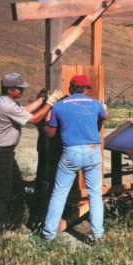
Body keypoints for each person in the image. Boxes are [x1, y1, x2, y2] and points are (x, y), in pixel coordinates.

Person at [42, 74, 109, 240]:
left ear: (71, 88)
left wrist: (46, 117)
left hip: (70, 151)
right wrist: (104, 107)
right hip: (93, 150)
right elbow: (105, 116)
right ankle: (98, 234)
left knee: (59, 193)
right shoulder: (95, 104)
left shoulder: (59, 106)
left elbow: (50, 133)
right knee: (95, 194)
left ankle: (48, 234)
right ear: (85, 89)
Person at [0, 72, 62, 233]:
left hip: (5, 152)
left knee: (16, 189)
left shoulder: (6, 102)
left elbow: (25, 110)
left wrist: (41, 99)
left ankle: (13, 225)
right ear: (10, 89)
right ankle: (2, 228)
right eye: (19, 88)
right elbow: (33, 119)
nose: (22, 91)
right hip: (2, 153)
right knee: (4, 191)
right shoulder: (6, 105)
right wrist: (50, 103)